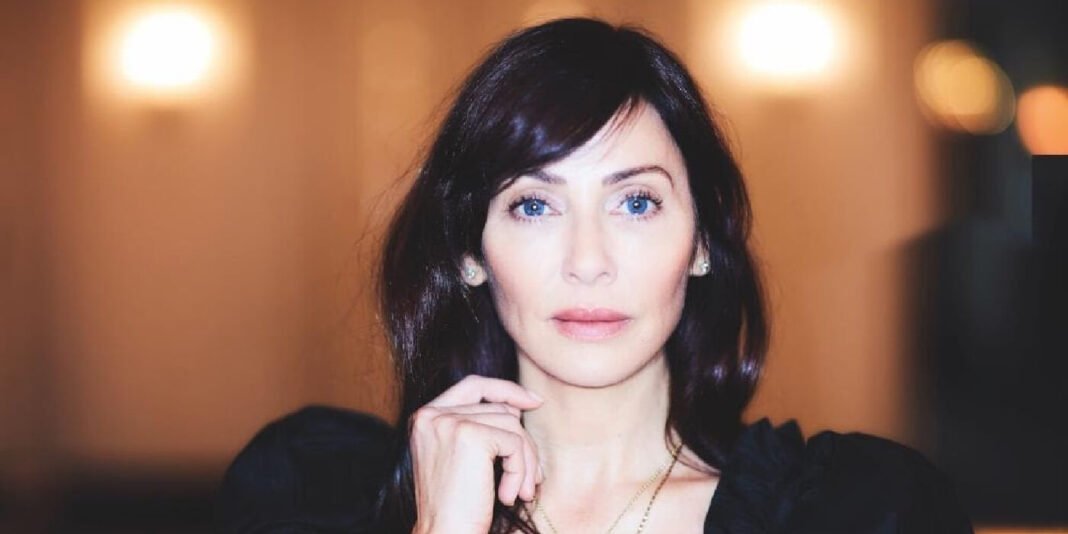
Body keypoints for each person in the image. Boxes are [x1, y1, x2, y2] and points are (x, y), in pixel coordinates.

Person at [218, 17, 973, 533]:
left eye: (636, 203)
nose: (588, 261)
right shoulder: (309, 493)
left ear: (702, 242)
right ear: (470, 251)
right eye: (534, 206)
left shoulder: (861, 511)